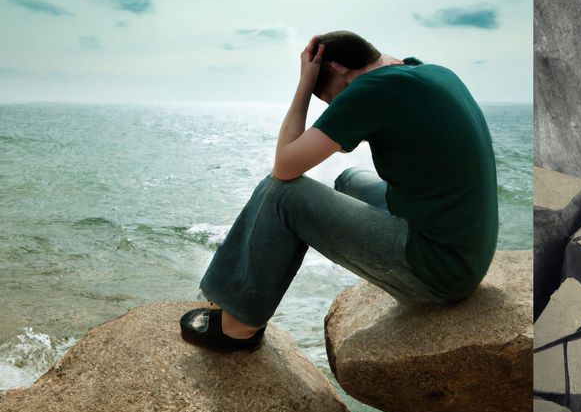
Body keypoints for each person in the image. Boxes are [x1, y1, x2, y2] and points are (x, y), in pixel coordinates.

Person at [180, 31, 498, 351]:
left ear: (337, 69)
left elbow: (284, 166)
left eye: (326, 96)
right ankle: (232, 288)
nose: (332, 105)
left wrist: (304, 85)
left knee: (282, 194)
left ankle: (239, 327)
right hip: (468, 252)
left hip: (438, 270)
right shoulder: (427, 71)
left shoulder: (369, 91)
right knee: (349, 179)